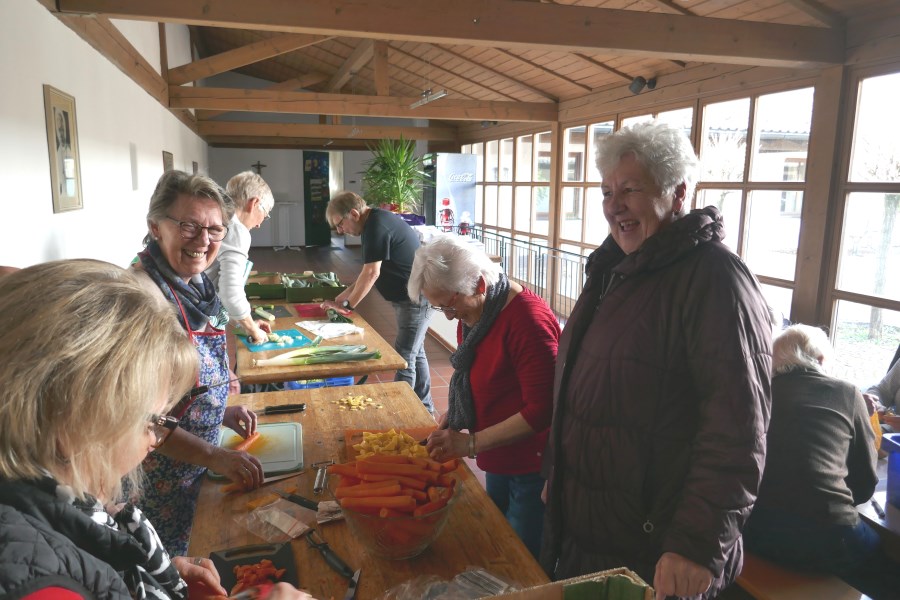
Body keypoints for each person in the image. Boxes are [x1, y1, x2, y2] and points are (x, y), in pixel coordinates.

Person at [540, 121, 772, 599]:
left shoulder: (714, 279)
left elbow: (737, 429)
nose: (613, 204)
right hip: (592, 533)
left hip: (657, 551)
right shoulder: (613, 269)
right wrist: (557, 478)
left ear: (678, 191)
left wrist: (695, 544)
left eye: (631, 189)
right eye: (606, 191)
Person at [0, 259, 224, 599]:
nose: (155, 440)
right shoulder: (41, 588)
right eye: (154, 421)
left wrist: (148, 579)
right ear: (78, 421)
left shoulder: (41, 509)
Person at [132, 170, 264, 556]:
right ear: (156, 227)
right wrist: (216, 455)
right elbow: (141, 421)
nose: (203, 241)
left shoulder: (195, 283)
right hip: (157, 482)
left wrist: (217, 409)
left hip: (195, 470)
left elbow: (178, 384)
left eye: (215, 229)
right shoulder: (143, 299)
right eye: (188, 225)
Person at [409, 235, 559, 557]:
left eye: (449, 304)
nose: (448, 316)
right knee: (497, 535)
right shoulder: (479, 312)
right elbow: (477, 376)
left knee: (521, 554)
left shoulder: (527, 321)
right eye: (439, 307)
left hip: (530, 464)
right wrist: (454, 414)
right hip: (498, 453)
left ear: (479, 284)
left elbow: (542, 410)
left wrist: (471, 443)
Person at [743, 324, 900, 599]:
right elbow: (864, 485)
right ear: (820, 360)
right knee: (884, 559)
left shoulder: (757, 393)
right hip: (827, 538)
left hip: (754, 531)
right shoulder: (848, 393)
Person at [324, 191, 434, 412]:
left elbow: (372, 274)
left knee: (404, 357)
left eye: (339, 224)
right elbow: (368, 272)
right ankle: (425, 407)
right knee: (415, 352)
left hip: (416, 298)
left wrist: (347, 306)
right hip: (409, 297)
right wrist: (344, 295)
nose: (340, 230)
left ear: (353, 214)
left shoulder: (376, 227)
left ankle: (400, 413)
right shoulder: (374, 222)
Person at [205, 170, 275, 344]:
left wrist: (246, 323)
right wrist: (253, 331)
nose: (259, 224)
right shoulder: (236, 229)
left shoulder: (218, 216)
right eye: (265, 214)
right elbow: (231, 292)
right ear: (254, 203)